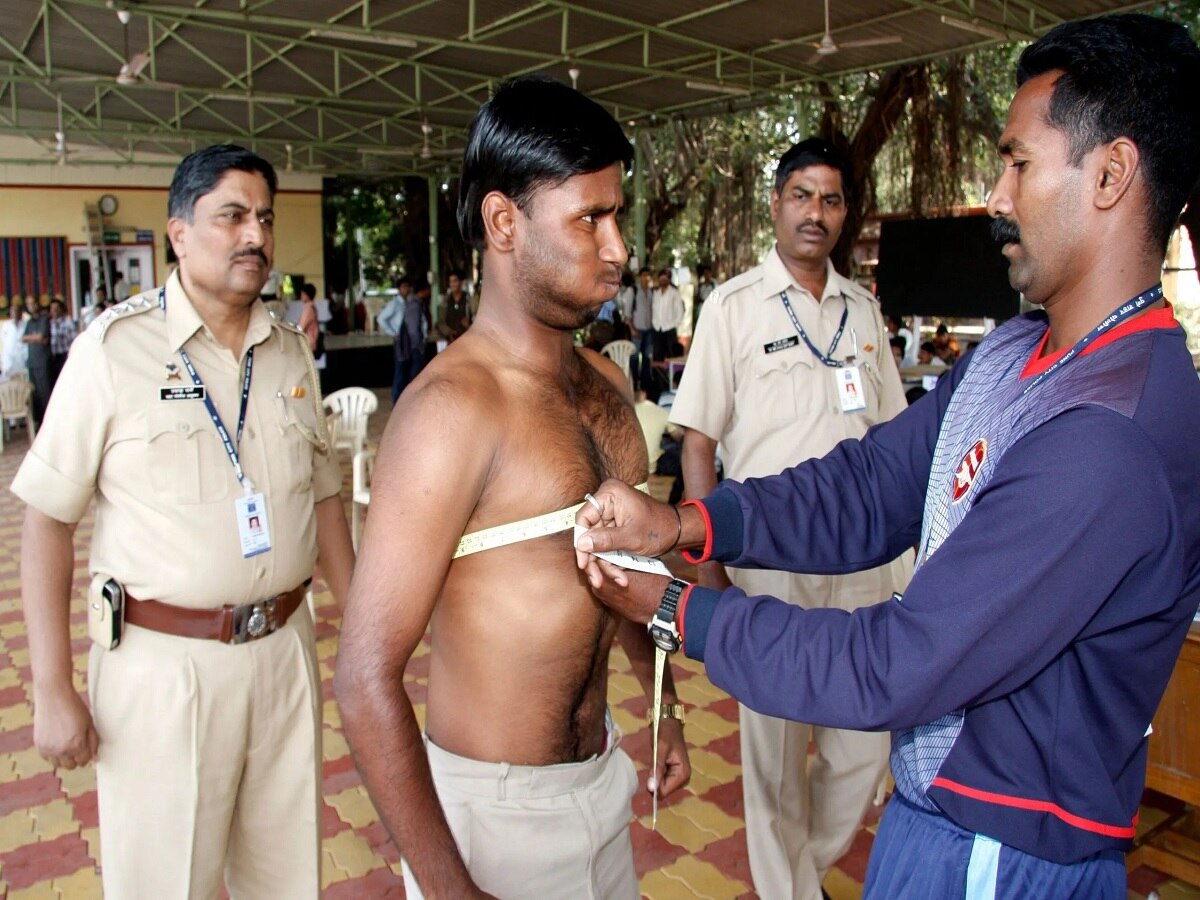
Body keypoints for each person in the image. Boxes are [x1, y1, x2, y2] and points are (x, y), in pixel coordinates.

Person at [574, 14, 1200, 898]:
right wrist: (687, 519)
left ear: (1110, 174)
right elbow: (873, 484)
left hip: (1002, 850)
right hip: (940, 820)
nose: (995, 194)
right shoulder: (1016, 355)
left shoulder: (1112, 434)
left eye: (1018, 163)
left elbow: (895, 665)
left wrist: (675, 611)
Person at [334, 74, 691, 900]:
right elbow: (363, 676)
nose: (618, 249)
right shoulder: (451, 411)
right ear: (505, 223)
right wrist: (451, 889)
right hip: (490, 818)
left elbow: (622, 576)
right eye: (589, 220)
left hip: (599, 780)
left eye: (618, 216)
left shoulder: (605, 387)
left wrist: (661, 701)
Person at [12, 143, 355, 899]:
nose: (255, 236)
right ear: (177, 232)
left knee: (286, 877)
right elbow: (45, 520)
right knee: (165, 882)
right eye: (231, 216)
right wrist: (51, 686)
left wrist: (361, 629)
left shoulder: (291, 351)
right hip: (164, 668)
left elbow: (323, 495)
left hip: (285, 652)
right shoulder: (112, 350)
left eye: (264, 217)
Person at [668, 136, 910, 900]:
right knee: (773, 757)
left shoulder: (865, 311)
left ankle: (800, 874)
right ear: (775, 204)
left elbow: (898, 441)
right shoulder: (733, 307)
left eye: (830, 199)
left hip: (866, 560)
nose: (816, 213)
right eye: (801, 195)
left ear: (845, 213)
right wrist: (710, 569)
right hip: (769, 558)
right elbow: (698, 444)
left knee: (862, 746)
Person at [378, 275, 428, 403]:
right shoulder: (395, 303)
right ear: (399, 288)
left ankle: (403, 401)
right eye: (404, 286)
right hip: (401, 341)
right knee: (400, 371)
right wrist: (393, 332)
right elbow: (381, 318)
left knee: (406, 371)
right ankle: (396, 401)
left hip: (409, 342)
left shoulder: (409, 302)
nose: (407, 289)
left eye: (408, 286)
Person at [20, 296, 51, 428]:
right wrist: (36, 338)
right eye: (28, 304)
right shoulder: (28, 322)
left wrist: (32, 338)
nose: (31, 306)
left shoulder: (44, 319)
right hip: (31, 362)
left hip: (43, 361)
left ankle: (48, 422)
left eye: (33, 303)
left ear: (37, 304)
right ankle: (38, 424)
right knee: (35, 395)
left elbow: (42, 337)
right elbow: (23, 338)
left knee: (45, 392)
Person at [650, 267, 685, 366]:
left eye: (665, 279)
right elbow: (654, 310)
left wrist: (674, 324)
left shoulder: (674, 293)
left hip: (669, 330)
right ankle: (659, 380)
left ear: (669, 280)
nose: (663, 280)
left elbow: (680, 312)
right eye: (661, 279)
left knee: (671, 357)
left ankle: (670, 381)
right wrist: (654, 323)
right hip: (657, 329)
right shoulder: (656, 293)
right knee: (657, 357)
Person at [436, 269, 473, 343]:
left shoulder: (469, 300)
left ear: (461, 282)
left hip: (467, 341)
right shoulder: (445, 301)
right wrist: (449, 331)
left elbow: (478, 320)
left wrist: (469, 326)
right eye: (450, 281)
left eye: (455, 281)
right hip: (450, 341)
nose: (452, 284)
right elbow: (440, 323)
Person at [47, 298, 76, 389]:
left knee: (66, 381)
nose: (55, 310)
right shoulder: (48, 324)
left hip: (65, 356)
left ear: (61, 309)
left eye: (57, 308)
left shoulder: (68, 322)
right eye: (52, 308)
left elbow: (74, 339)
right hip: (52, 358)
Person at [0, 302, 27, 379]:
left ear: (21, 313)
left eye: (17, 310)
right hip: (9, 358)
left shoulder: (26, 324)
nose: (15, 312)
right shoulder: (5, 325)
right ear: (10, 313)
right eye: (13, 311)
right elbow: (3, 340)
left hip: (23, 357)